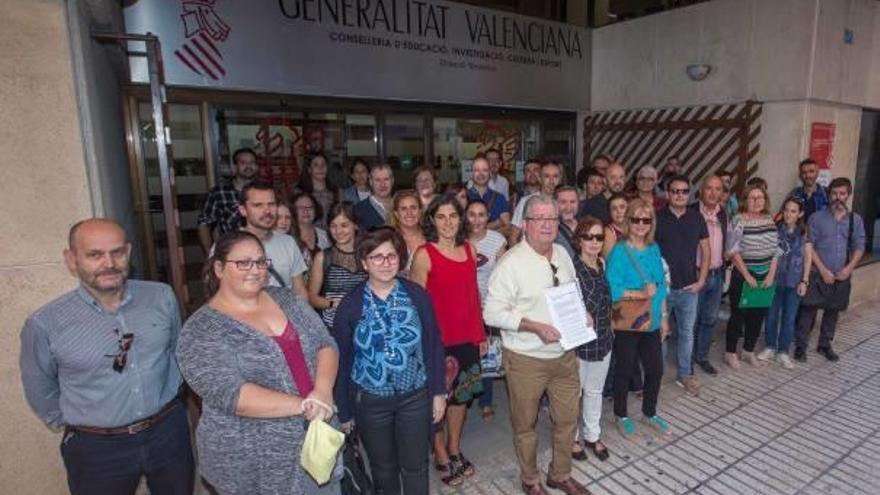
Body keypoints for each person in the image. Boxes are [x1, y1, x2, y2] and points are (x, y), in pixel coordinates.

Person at [20, 219, 194, 494]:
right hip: (97, 450)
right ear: (71, 259)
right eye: (95, 255)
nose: (109, 263)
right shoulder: (45, 323)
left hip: (168, 433)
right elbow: (40, 390)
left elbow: (177, 351)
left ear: (128, 251)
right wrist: (84, 426)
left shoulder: (161, 296)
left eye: (117, 252)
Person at [177, 230, 340, 495]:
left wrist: (322, 392)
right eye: (243, 263)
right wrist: (305, 405)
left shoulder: (286, 300)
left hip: (315, 438)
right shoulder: (201, 330)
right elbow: (234, 395)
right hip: (251, 460)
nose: (255, 270)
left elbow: (325, 344)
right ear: (218, 268)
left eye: (261, 261)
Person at [484, 195, 590, 495]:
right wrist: (534, 326)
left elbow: (573, 293)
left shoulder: (562, 254)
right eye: (539, 218)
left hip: (565, 355)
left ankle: (560, 473)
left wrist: (584, 315)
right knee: (526, 424)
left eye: (552, 219)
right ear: (526, 224)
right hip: (526, 359)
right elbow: (491, 312)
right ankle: (530, 479)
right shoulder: (510, 263)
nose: (546, 224)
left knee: (568, 419)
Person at [332, 227, 447, 495]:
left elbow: (433, 344)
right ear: (364, 263)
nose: (385, 263)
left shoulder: (417, 295)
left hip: (415, 397)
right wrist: (345, 410)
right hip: (371, 401)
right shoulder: (350, 305)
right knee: (383, 467)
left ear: (400, 259)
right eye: (376, 257)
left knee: (416, 465)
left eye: (391, 256)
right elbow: (342, 360)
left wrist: (439, 392)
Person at [410, 195, 486, 487]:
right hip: (436, 342)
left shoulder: (469, 249)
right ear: (432, 220)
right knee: (437, 400)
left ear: (461, 218)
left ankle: (454, 446)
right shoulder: (424, 254)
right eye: (440, 217)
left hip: (466, 338)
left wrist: (480, 335)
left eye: (453, 216)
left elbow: (472, 296)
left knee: (462, 398)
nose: (448, 222)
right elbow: (416, 305)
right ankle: (439, 451)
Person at [605, 198, 670, 438]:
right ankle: (621, 414)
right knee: (624, 369)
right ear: (628, 221)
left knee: (655, 369)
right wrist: (639, 293)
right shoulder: (619, 252)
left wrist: (663, 317)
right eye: (636, 219)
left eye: (646, 220)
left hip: (651, 320)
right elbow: (612, 288)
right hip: (628, 321)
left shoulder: (654, 248)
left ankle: (649, 411)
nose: (641, 224)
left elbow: (661, 285)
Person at [795, 177, 865, 362]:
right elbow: (809, 245)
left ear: (848, 195)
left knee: (832, 312)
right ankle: (800, 347)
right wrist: (823, 270)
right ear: (829, 194)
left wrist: (849, 268)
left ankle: (825, 345)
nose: (838, 197)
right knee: (808, 311)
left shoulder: (855, 220)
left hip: (842, 275)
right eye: (834, 193)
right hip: (817, 273)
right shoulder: (816, 218)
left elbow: (860, 246)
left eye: (842, 193)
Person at [654, 175, 709, 396]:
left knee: (687, 333)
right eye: (675, 191)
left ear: (689, 194)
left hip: (689, 289)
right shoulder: (657, 219)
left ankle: (685, 374)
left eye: (684, 191)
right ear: (667, 194)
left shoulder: (697, 218)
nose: (680, 195)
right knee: (660, 334)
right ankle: (655, 376)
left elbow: (706, 251)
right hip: (663, 289)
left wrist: (702, 280)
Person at [569, 216, 614, 463]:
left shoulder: (602, 264)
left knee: (595, 390)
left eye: (599, 237)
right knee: (574, 392)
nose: (595, 242)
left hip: (603, 337)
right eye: (589, 237)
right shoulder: (571, 270)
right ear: (579, 240)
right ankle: (572, 438)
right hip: (579, 342)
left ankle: (592, 435)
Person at [724, 184, 780, 369]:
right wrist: (747, 276)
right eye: (752, 198)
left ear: (765, 200)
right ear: (745, 201)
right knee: (738, 316)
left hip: (765, 277)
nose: (756, 201)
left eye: (760, 198)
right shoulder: (738, 220)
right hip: (743, 276)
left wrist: (771, 275)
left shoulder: (769, 220)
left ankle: (748, 351)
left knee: (758, 315)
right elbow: (732, 250)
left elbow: (775, 250)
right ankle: (730, 353)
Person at [465, 199, 508, 422]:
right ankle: (466, 396)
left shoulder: (497, 240)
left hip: (488, 307)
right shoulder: (458, 240)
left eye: (481, 215)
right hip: (465, 307)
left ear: (488, 216)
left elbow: (502, 276)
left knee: (488, 356)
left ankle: (486, 401)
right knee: (469, 356)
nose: (477, 220)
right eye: (472, 214)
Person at [758, 197, 812, 368]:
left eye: (793, 211)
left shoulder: (804, 233)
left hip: (794, 282)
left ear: (800, 214)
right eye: (786, 210)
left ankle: (783, 351)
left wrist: (805, 281)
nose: (788, 214)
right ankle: (770, 346)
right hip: (775, 280)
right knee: (771, 315)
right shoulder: (775, 229)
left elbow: (808, 258)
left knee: (789, 318)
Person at [238, 182, 309, 300]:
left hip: (284, 315)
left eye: (271, 204)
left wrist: (305, 316)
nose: (267, 211)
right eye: (258, 205)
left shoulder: (288, 243)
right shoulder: (227, 245)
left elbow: (300, 290)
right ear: (243, 210)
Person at [692, 175, 730, 376]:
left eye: (718, 189)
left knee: (709, 318)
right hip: (696, 274)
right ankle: (687, 360)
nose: (713, 193)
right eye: (709, 188)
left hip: (716, 274)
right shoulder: (690, 212)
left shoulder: (723, 214)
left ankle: (702, 356)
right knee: (691, 320)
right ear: (701, 191)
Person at [308, 202, 367, 329]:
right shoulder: (323, 257)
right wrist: (334, 303)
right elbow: (312, 297)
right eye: (333, 226)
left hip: (365, 325)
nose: (338, 231)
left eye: (344, 225)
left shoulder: (367, 255)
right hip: (333, 327)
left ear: (355, 225)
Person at [198, 147, 258, 253]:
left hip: (262, 247)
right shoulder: (218, 192)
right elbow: (204, 225)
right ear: (234, 167)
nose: (249, 166)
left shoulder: (265, 191)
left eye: (252, 162)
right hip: (231, 250)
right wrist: (210, 255)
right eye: (243, 162)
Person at [290, 192, 331, 273]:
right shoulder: (289, 237)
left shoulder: (325, 235)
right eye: (301, 208)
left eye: (310, 207)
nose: (306, 211)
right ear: (292, 211)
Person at [467, 155, 511, 230]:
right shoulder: (463, 197)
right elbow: (459, 227)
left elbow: (507, 227)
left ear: (490, 173)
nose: (481, 173)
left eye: (485, 170)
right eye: (477, 170)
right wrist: (497, 223)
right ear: (471, 174)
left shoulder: (500, 198)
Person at [298, 153, 339, 228]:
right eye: (316, 165)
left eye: (323, 164)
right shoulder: (300, 193)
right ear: (309, 169)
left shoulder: (337, 192)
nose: (320, 168)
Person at [390, 189, 426, 275]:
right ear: (396, 214)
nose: (409, 213)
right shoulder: (388, 240)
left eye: (413, 208)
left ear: (420, 211)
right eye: (403, 209)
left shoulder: (432, 237)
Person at [354, 163, 395, 230]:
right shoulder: (359, 210)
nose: (382, 184)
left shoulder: (401, 205)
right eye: (378, 180)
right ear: (371, 182)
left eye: (386, 179)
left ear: (392, 181)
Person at [555, 186, 581, 259]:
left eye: (572, 202)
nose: (568, 207)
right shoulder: (550, 229)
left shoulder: (586, 226)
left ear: (578, 203)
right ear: (555, 204)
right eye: (563, 202)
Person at [602, 194, 628, 258]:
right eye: (614, 208)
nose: (618, 211)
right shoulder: (608, 233)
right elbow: (610, 262)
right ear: (609, 213)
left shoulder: (635, 227)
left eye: (622, 207)